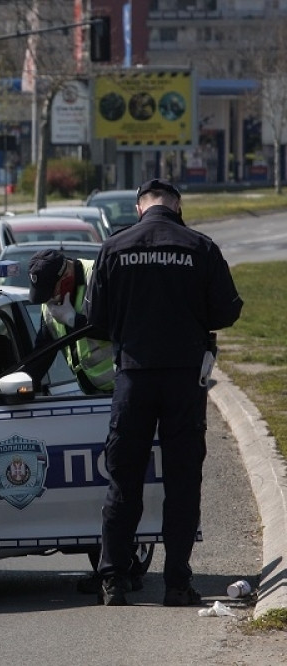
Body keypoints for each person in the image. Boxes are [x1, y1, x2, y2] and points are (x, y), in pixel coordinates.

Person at [86, 178, 243, 607]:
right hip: (183, 381)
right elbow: (228, 310)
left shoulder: (115, 247)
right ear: (177, 208)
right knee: (182, 483)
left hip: (133, 378)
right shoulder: (200, 247)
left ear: (140, 209)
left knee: (123, 482)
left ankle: (114, 581)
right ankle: (176, 583)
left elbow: (94, 317)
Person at [27, 249, 115, 393]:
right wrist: (22, 382)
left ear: (66, 277)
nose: (48, 299)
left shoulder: (98, 277)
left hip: (119, 390)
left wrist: (74, 321)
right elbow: (42, 354)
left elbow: (121, 329)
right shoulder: (51, 302)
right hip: (90, 395)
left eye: (50, 292)